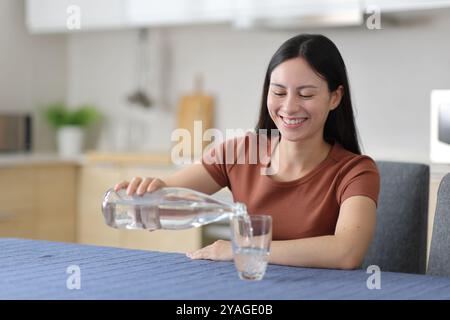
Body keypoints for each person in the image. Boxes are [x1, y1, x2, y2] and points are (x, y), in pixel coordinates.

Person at [114, 34, 380, 270]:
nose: (289, 107)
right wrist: (150, 195)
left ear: (335, 97)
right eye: (278, 92)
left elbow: (346, 252)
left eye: (306, 95)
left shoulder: (356, 171)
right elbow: (168, 199)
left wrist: (243, 248)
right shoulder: (241, 152)